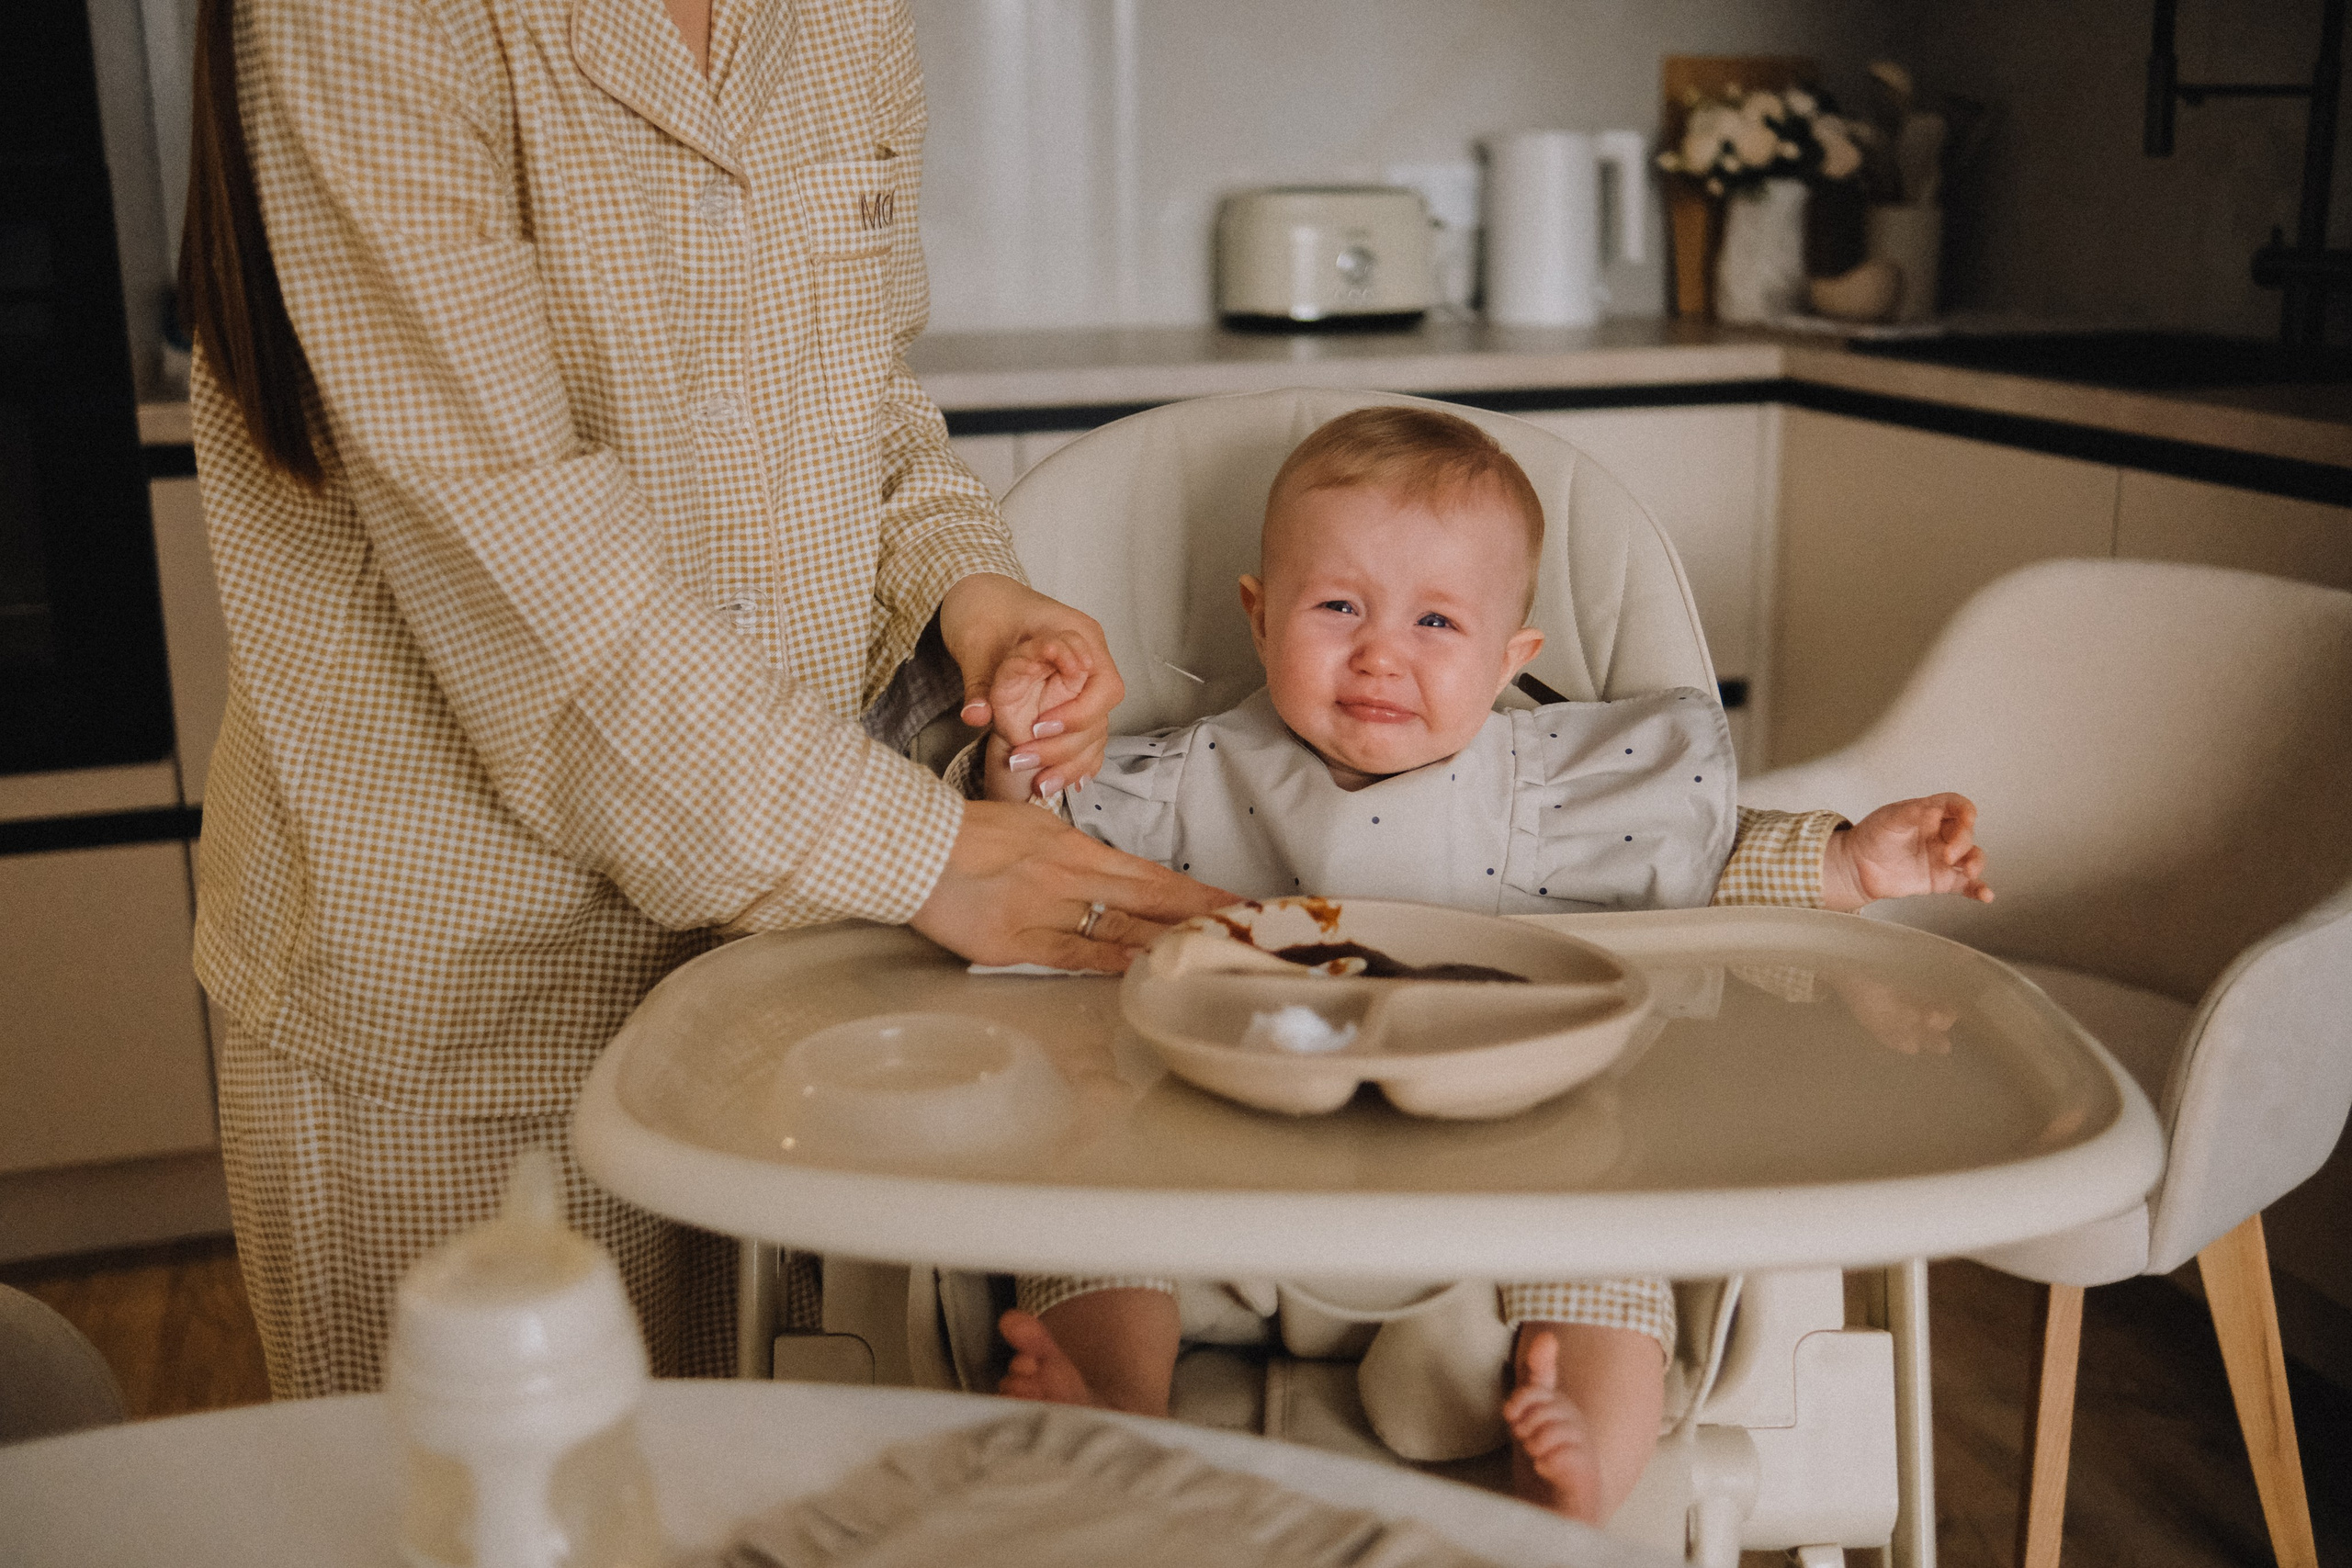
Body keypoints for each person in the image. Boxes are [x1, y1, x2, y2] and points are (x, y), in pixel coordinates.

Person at [175, 0, 1224, 1398]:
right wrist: (924, 853)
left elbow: (860, 391)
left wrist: (970, 589)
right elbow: (518, 565)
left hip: (770, 981)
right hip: (470, 1014)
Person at [976, 406, 1991, 1524]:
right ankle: (1114, 1405)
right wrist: (1029, 746)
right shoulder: (1184, 781)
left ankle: (1577, 1479)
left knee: (1614, 1257)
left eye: (1436, 622)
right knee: (1086, 1215)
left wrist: (1850, 862)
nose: (1380, 652)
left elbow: (1704, 869)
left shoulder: (1566, 792)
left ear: (1513, 659)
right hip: (1218, 1189)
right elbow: (1040, 867)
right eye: (1337, 607)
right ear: (1258, 620)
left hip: (1509, 1203)